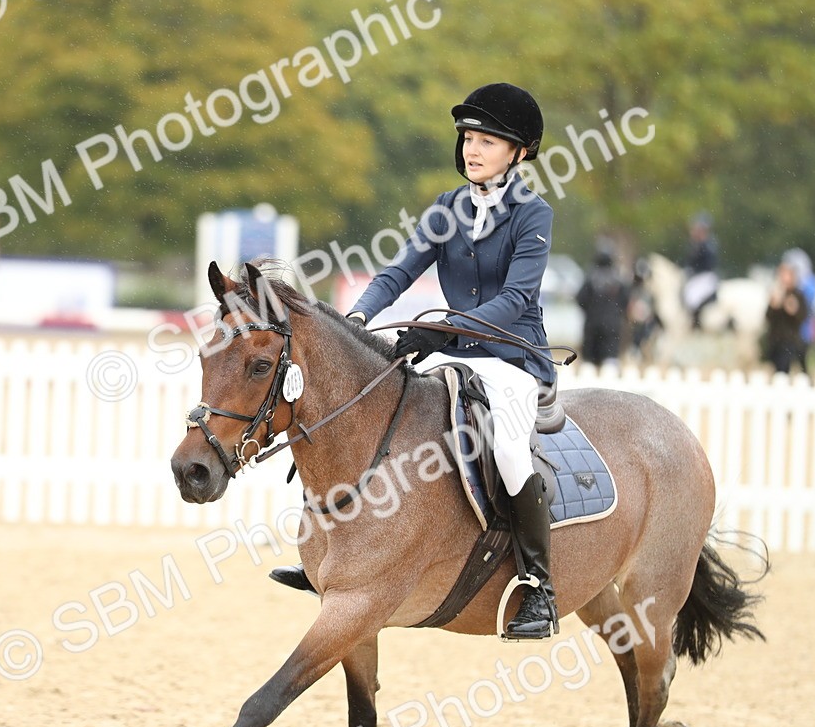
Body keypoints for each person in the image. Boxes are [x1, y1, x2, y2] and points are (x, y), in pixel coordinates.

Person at [271, 83, 559, 640]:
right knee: (376, 417)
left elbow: (516, 300)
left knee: (508, 451)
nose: (473, 150)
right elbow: (398, 272)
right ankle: (334, 556)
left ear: (520, 151)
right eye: (469, 139)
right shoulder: (448, 208)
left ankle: (538, 586)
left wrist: (442, 328)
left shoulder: (533, 214)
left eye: (488, 142)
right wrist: (355, 321)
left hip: (512, 359)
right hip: (456, 352)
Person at [576, 240, 629, 368]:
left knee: (588, 364)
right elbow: (625, 301)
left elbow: (580, 299)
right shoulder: (618, 279)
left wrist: (591, 313)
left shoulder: (590, 277)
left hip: (592, 326)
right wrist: (615, 315)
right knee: (610, 363)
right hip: (612, 327)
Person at [764, 261, 808, 375]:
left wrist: (792, 308)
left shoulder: (798, 295)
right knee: (778, 369)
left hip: (791, 340)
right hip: (776, 340)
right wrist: (774, 305)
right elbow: (768, 317)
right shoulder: (776, 294)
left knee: (795, 367)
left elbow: (802, 316)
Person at [781, 248, 815, 374]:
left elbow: (807, 306)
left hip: (804, 331)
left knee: (802, 363)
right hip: (790, 333)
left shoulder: (808, 283)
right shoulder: (789, 287)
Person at [682, 212, 719, 330]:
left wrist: (692, 270)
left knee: (692, 296)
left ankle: (696, 322)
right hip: (698, 276)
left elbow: (707, 264)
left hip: (705, 276)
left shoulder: (708, 245)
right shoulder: (697, 244)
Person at [627, 257, 661, 363]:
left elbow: (652, 305)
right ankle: (635, 350)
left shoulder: (649, 291)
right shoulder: (632, 288)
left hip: (645, 319)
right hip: (635, 319)